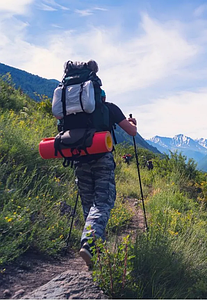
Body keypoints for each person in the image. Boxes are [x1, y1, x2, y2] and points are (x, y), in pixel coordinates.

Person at [74, 61, 137, 266]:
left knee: (88, 203)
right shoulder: (109, 108)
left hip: (78, 158)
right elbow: (131, 132)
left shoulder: (74, 112)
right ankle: (90, 244)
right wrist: (133, 123)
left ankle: (93, 251)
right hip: (102, 159)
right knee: (102, 202)